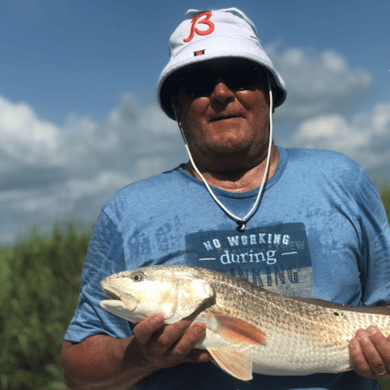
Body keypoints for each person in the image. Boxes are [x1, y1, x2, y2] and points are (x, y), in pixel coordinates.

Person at [61, 7, 390, 390]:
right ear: (176, 107)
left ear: (269, 92)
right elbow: (77, 372)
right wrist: (137, 357)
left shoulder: (342, 179)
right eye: (198, 82)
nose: (221, 93)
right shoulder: (127, 211)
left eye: (241, 76)